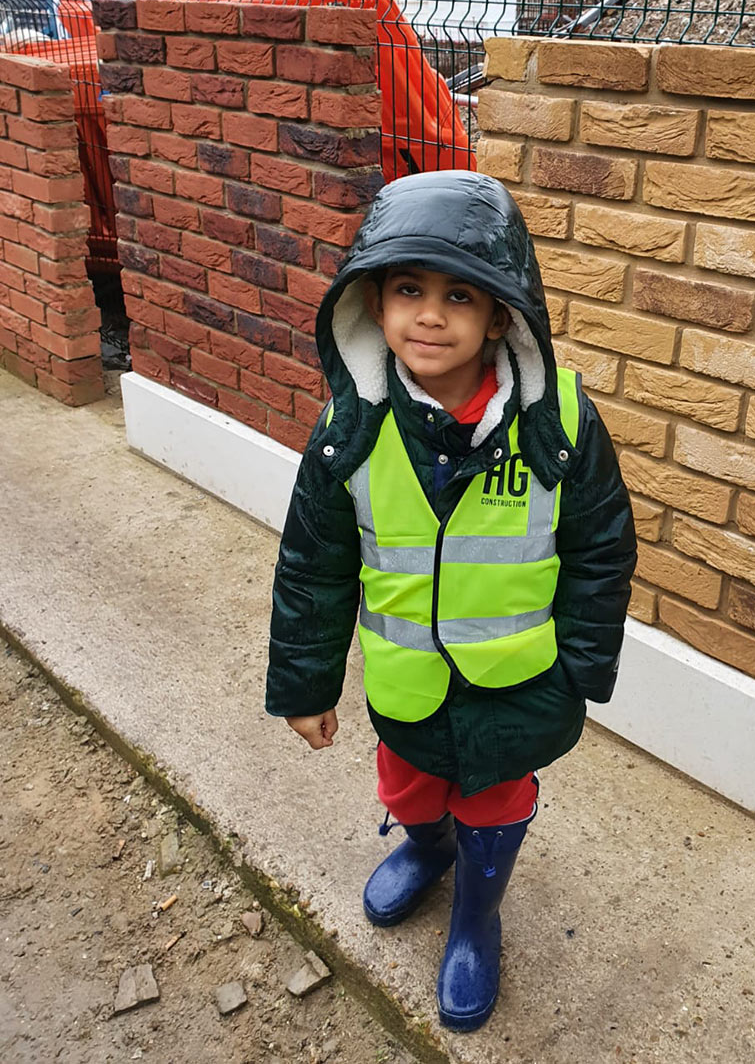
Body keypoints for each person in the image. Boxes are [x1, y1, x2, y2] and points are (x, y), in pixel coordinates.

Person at [266, 170, 636, 1032]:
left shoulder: (560, 426)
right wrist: (307, 684)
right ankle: (426, 851)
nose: (428, 314)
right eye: (407, 289)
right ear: (373, 300)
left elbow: (600, 549)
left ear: (502, 315)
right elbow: (313, 565)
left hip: (518, 688)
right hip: (405, 683)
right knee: (411, 787)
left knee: (496, 802)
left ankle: (477, 912)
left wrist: (583, 667)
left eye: (458, 294)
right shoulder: (349, 430)